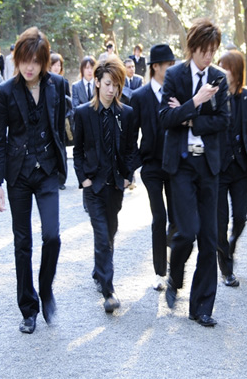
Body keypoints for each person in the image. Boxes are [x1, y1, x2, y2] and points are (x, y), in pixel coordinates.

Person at [0, 27, 67, 334]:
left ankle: (45, 289)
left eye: (36, 60)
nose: (30, 67)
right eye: (25, 60)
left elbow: (59, 129)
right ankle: (28, 308)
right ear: (17, 59)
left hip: (47, 171)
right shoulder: (6, 91)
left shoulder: (57, 85)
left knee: (52, 236)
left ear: (44, 61)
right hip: (18, 175)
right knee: (23, 243)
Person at [159, 18, 229, 327]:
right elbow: (164, 117)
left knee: (209, 238)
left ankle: (201, 308)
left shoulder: (219, 78)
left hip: (208, 165)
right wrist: (197, 102)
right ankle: (175, 276)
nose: (209, 57)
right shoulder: (174, 75)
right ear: (192, 48)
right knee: (186, 232)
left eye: (213, 50)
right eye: (204, 50)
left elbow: (223, 120)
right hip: (182, 166)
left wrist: (189, 118)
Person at [74, 56, 138, 314]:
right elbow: (77, 151)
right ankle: (108, 291)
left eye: (117, 85)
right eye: (108, 83)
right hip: (94, 186)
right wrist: (84, 179)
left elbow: (131, 148)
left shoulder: (126, 113)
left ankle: (98, 269)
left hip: (115, 186)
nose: (112, 90)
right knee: (102, 235)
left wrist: (128, 175)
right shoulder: (83, 113)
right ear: (98, 82)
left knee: (110, 232)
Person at [130, 44, 177, 291]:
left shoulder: (177, 93)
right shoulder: (139, 96)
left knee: (177, 219)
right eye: (168, 65)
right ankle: (160, 272)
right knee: (159, 216)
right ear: (155, 67)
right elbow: (130, 135)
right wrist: (132, 167)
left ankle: (171, 251)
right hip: (151, 166)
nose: (172, 69)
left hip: (176, 165)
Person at [215, 50, 247, 288]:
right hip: (219, 168)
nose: (222, 71)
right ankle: (226, 268)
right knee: (219, 222)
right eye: (220, 66)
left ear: (237, 70)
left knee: (240, 216)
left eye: (227, 67)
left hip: (242, 167)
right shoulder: (214, 95)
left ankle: (231, 243)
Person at [50, 52, 71, 190]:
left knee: (61, 149)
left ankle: (61, 178)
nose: (57, 68)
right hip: (49, 119)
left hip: (61, 119)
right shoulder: (45, 81)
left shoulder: (64, 82)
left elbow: (68, 101)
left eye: (59, 65)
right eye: (54, 65)